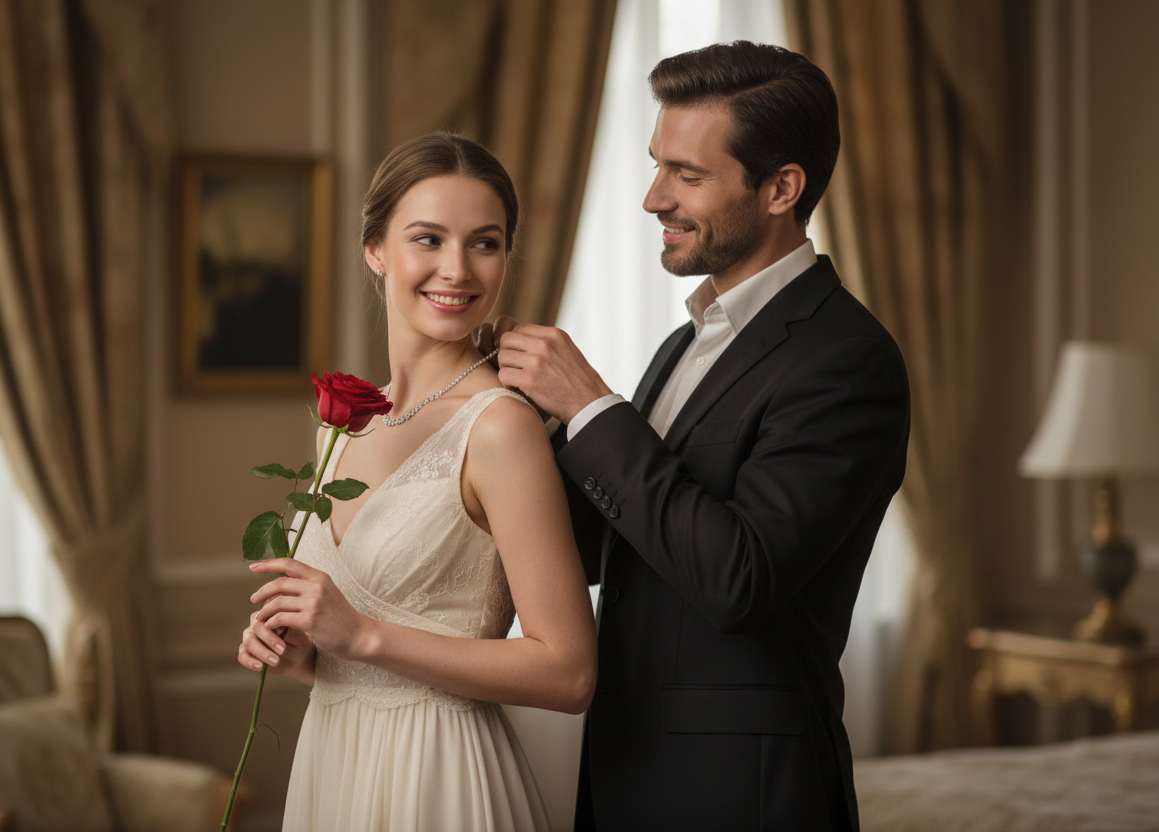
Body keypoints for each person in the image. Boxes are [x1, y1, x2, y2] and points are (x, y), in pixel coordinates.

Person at [483, 41, 911, 831]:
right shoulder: (686, 343)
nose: (653, 198)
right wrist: (510, 425)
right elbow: (617, 541)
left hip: (741, 793)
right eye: (656, 166)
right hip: (624, 762)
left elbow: (737, 578)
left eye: (686, 174)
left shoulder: (848, 360)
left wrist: (592, 408)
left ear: (782, 188)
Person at [238, 132, 598, 832]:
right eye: (428, 239)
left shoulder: (500, 428)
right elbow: (349, 656)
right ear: (376, 249)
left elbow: (569, 673)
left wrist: (362, 634)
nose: (457, 269)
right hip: (335, 763)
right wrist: (301, 651)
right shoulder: (340, 424)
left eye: (485, 243)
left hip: (439, 778)